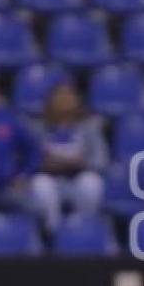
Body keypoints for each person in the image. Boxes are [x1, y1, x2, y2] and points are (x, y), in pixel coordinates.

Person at [30, 82, 108, 234]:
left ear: (77, 101)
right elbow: (30, 158)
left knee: (92, 183)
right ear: (49, 101)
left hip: (78, 177)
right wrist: (44, 164)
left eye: (68, 96)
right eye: (59, 96)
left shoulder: (89, 127)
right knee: (40, 185)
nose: (64, 100)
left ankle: (83, 228)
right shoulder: (36, 128)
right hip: (49, 177)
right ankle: (52, 231)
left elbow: (101, 160)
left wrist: (82, 163)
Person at [0, 74, 41, 214]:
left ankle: (43, 235)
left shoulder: (10, 120)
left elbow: (33, 150)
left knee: (34, 209)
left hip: (3, 189)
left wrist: (23, 176)